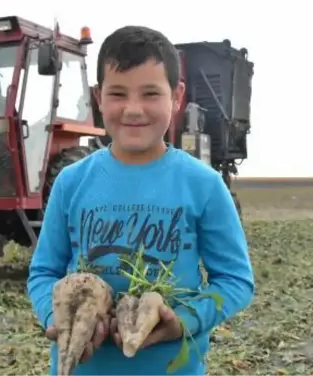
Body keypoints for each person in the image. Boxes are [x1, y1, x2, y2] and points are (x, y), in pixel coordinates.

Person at [26, 25, 255, 375]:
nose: (133, 110)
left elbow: (235, 280)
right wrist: (56, 316)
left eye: (150, 93)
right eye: (118, 94)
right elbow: (44, 271)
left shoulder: (203, 185)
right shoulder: (72, 182)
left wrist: (183, 321)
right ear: (99, 97)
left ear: (176, 96)